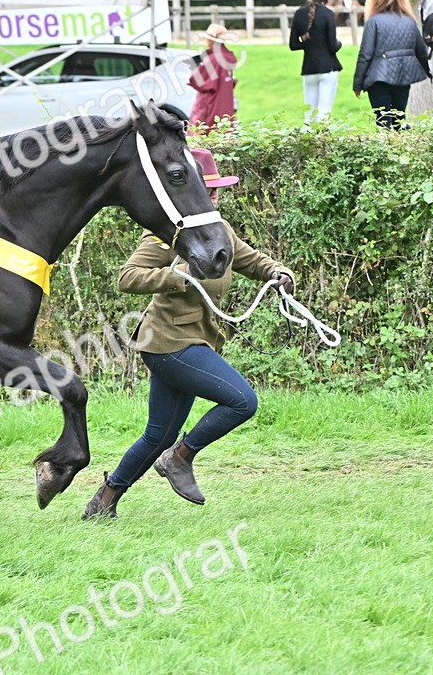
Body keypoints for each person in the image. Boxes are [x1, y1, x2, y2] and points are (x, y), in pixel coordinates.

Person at [84, 149, 296, 519]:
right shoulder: (167, 237)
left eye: (215, 192)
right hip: (168, 343)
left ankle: (103, 502)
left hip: (194, 342)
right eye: (206, 191)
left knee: (158, 434)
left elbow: (249, 260)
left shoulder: (220, 232)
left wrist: (278, 272)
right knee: (243, 401)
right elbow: (127, 278)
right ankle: (179, 458)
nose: (212, 199)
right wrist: (179, 277)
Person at [352, 0, 431, 129]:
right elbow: (421, 51)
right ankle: (400, 150)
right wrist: (430, 73)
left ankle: (386, 150)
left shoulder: (373, 22)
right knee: (398, 121)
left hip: (378, 79)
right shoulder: (410, 22)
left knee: (383, 123)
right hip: (403, 77)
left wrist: (357, 84)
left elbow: (365, 55)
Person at [289, 0, 343, 124]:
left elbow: (293, 45)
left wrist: (308, 44)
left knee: (309, 117)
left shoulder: (299, 14)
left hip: (309, 69)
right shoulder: (328, 14)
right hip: (328, 69)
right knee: (323, 114)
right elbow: (333, 46)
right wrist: (340, 44)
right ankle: (322, 145)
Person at [188, 23, 238, 134]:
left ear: (212, 41)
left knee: (202, 132)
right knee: (224, 131)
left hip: (209, 105)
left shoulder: (213, 59)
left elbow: (196, 80)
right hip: (225, 103)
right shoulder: (227, 58)